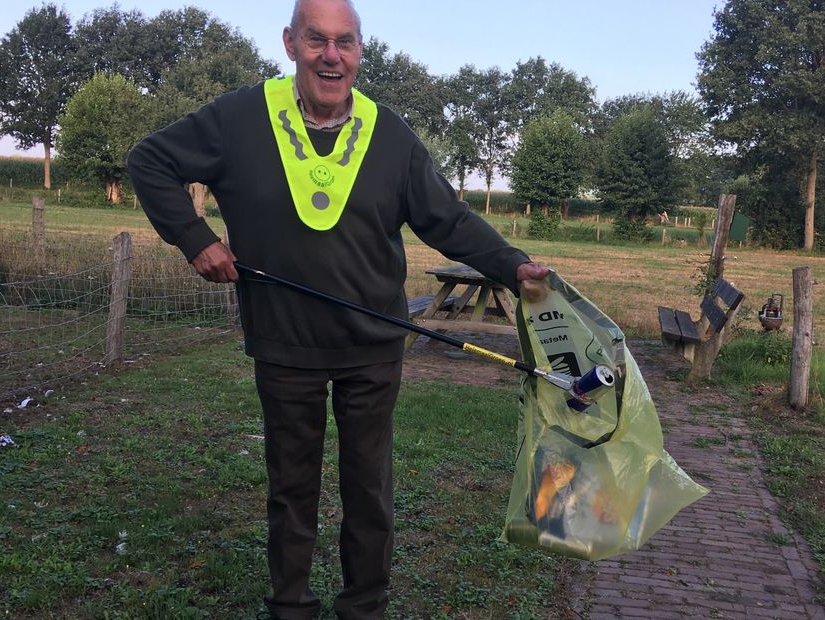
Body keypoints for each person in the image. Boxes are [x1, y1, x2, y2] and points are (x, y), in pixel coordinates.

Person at [127, 0, 548, 617]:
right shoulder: (240, 117)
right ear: (290, 42)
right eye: (317, 40)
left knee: (369, 488)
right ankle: (290, 605)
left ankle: (363, 606)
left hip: (372, 345)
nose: (332, 56)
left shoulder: (392, 135)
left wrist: (512, 266)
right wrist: (197, 240)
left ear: (359, 51)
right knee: (291, 486)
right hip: (284, 342)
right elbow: (150, 161)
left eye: (345, 43)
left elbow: (448, 220)